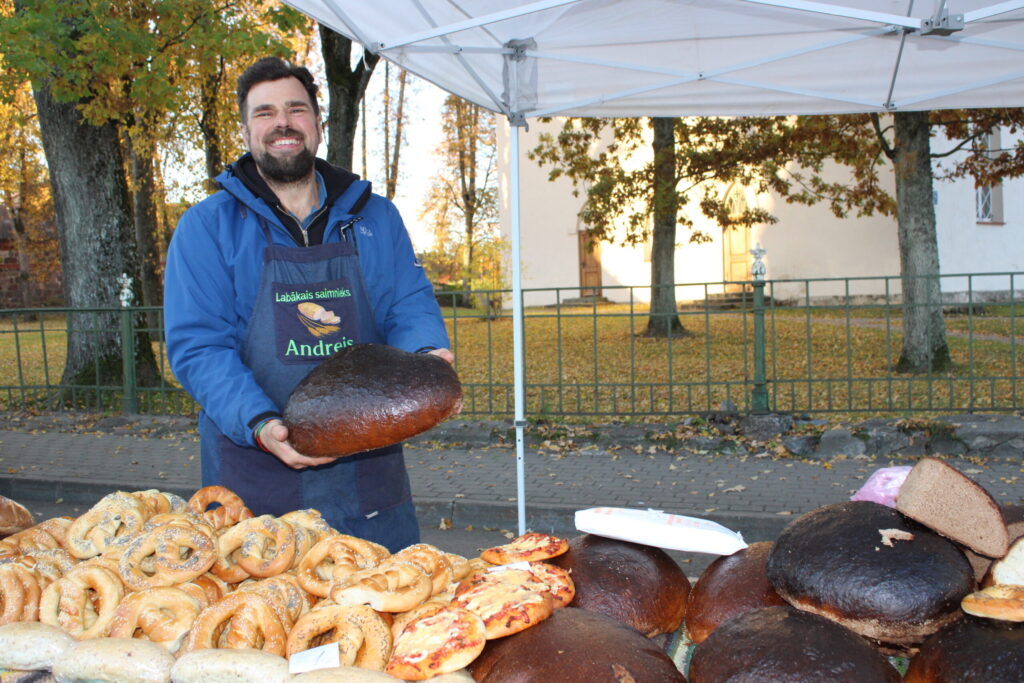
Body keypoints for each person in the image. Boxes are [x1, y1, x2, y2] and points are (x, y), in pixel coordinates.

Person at [164, 57, 452, 552]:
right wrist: (259, 423)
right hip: (253, 474)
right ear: (247, 128)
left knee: (384, 611)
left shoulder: (375, 217)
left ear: (317, 124)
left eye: (297, 109)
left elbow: (407, 303)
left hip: (369, 478)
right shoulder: (207, 227)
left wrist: (425, 356)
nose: (282, 122)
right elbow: (199, 347)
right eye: (265, 112)